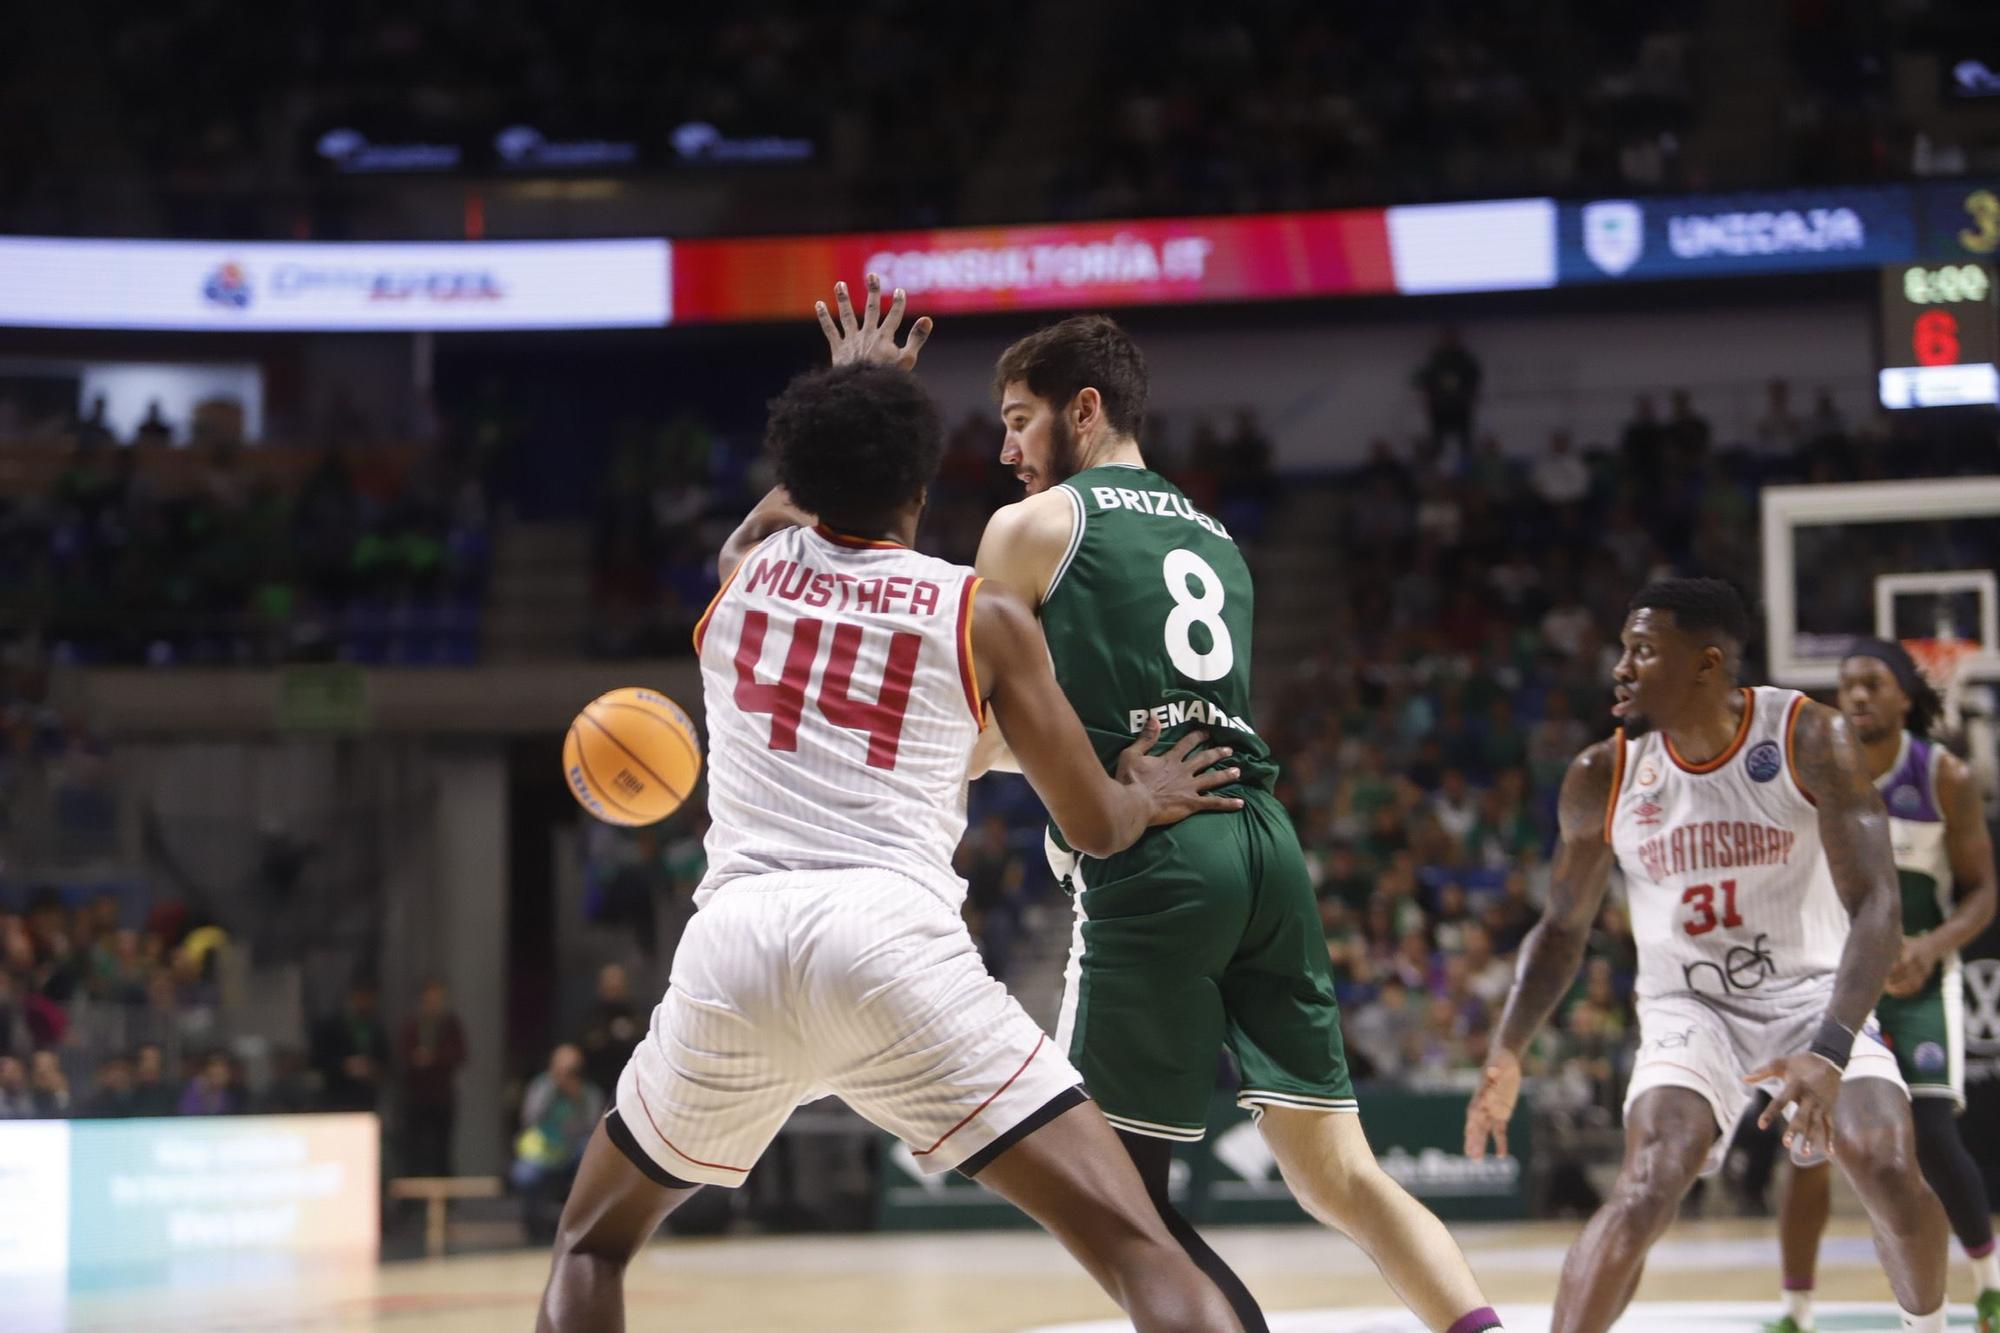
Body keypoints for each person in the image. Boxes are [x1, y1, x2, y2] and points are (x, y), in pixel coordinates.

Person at [536, 282, 1250, 1333]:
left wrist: (849, 388)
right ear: (923, 477)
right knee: (1136, 1240)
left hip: (731, 949)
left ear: (802, 470)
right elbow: (1093, 825)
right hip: (890, 947)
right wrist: (1138, 793)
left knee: (591, 1240)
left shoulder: (742, 574)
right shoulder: (981, 611)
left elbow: (781, 507)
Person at [972, 304, 1502, 1333]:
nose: (1003, 452)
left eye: (1016, 419)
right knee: (1340, 1177)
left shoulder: (1032, 527)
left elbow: (983, 716)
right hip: (1263, 843)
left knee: (1117, 1204)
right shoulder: (1214, 537)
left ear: (1081, 411)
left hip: (1157, 858)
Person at [1465, 578, 1951, 1333]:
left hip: (1814, 994)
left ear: (1707, 665)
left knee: (1885, 1162)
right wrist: (1507, 1047)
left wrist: (1829, 1049)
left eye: (1644, 650)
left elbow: (1878, 907)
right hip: (1690, 1008)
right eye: (1623, 648)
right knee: (1650, 1178)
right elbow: (1561, 929)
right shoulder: (1604, 774)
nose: (1621, 666)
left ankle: (1931, 1325)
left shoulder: (1805, 736)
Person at [1769, 639, 1998, 1333]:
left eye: (1873, 683)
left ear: (1906, 695)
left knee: (1929, 1133)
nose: (1857, 696)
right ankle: (1794, 1310)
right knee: (1808, 1151)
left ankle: (1988, 1285)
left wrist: (1930, 946)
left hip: (1917, 981)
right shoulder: (1810, 773)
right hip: (1832, 986)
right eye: (1846, 685)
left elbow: (1984, 891)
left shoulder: (1943, 776)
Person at [514, 1044, 605, 1246]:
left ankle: (581, 1226)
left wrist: (577, 1097)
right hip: (544, 1154)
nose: (567, 1075)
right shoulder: (542, 1087)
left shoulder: (589, 1093)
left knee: (594, 1164)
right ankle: (534, 1227)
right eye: (562, 1069)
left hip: (573, 1154)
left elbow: (594, 1129)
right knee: (525, 1175)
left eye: (572, 1070)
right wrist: (552, 1090)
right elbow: (529, 1118)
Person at [399, 979, 468, 1178]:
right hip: (416, 1095)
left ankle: (444, 1198)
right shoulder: (412, 1024)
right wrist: (416, 1058)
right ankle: (411, 1201)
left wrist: (434, 1057)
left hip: (441, 1095)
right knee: (414, 1148)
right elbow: (402, 1055)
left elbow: (460, 1054)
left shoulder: (450, 1024)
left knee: (442, 1150)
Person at [312, 980, 389, 1113]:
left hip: (367, 1098)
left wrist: (374, 1069)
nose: (366, 1002)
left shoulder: (375, 1028)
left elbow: (386, 1061)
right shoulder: (332, 1026)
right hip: (337, 1097)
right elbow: (318, 1060)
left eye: (370, 998)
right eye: (362, 997)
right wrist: (345, 1066)